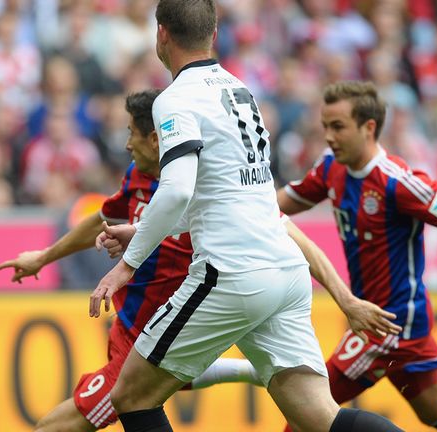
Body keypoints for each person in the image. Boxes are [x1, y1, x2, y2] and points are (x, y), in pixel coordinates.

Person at [0, 89, 401, 432]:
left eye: (131, 134)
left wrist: (346, 301)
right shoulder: (138, 179)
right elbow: (106, 219)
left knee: (79, 415)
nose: (125, 144)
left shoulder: (208, 184)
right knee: (315, 417)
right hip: (136, 329)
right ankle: (245, 371)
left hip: (156, 333)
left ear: (157, 139)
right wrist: (44, 258)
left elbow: (291, 235)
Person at [88, 2, 403, 431]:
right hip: (285, 270)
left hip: (230, 273)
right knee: (319, 418)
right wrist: (143, 230)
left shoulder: (175, 99)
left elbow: (178, 189)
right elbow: (227, 196)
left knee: (130, 395)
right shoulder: (240, 90)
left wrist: (127, 266)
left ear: (161, 33)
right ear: (214, 33)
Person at [276, 80, 437, 432]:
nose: (329, 137)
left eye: (338, 127)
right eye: (325, 127)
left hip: (387, 324)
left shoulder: (398, 181)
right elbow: (278, 205)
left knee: (306, 414)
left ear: (369, 127)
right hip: (394, 321)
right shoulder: (332, 166)